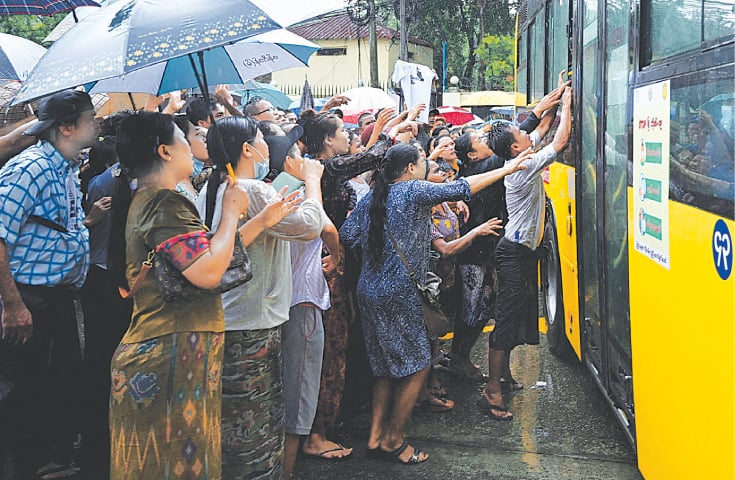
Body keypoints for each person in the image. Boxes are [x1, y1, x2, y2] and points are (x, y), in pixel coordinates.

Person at [107, 111, 296, 479]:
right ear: (164, 151)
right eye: (183, 138)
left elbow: (210, 258)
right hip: (168, 357)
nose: (194, 144)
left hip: (176, 352)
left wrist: (257, 220)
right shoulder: (165, 203)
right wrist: (230, 214)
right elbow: (209, 272)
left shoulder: (151, 200)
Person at [339, 143, 530, 464]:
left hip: (368, 290)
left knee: (384, 368)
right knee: (418, 366)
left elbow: (347, 235)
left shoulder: (374, 196)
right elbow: (464, 187)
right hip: (399, 291)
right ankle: (394, 439)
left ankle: (374, 436)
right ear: (411, 169)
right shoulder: (413, 190)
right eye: (422, 162)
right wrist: (509, 169)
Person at [196, 116, 325, 480]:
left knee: (234, 421)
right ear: (247, 150)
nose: (270, 144)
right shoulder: (251, 189)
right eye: (262, 139)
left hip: (227, 314)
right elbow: (309, 226)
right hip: (253, 320)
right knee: (254, 427)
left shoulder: (213, 187)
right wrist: (313, 180)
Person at [0, 90, 99, 479]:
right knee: (18, 394)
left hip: (53, 300)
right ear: (67, 127)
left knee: (44, 390)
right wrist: (13, 306)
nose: (97, 124)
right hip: (28, 301)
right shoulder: (31, 168)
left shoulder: (63, 167)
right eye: (91, 119)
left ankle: (36, 463)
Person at [298, 109, 394, 461]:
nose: (347, 136)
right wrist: (384, 129)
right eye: (342, 132)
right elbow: (371, 157)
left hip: (333, 264)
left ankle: (326, 423)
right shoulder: (327, 168)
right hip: (328, 266)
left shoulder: (322, 166)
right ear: (327, 140)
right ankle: (317, 432)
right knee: (332, 348)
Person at [480, 86, 573, 421]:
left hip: (522, 251)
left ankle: (503, 376)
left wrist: (558, 93)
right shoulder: (522, 166)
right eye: (521, 133)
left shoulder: (519, 153)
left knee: (517, 317)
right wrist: (569, 106)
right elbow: (559, 142)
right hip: (513, 253)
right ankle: (493, 389)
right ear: (515, 147)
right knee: (505, 321)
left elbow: (544, 127)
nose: (526, 133)